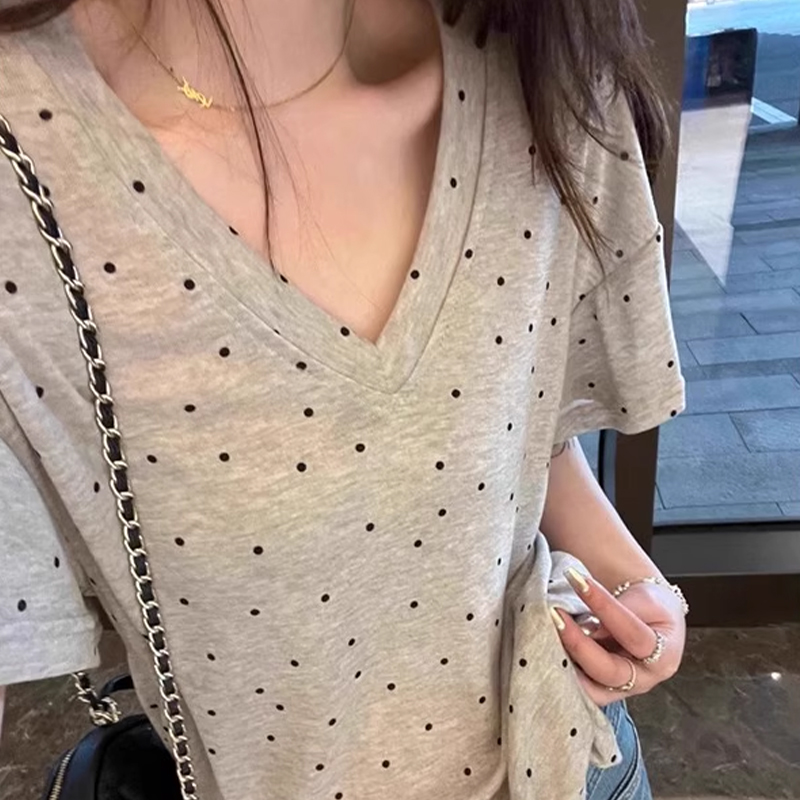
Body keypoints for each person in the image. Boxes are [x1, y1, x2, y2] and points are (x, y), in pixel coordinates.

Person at [0, 0, 688, 798]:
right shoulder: (27, 170)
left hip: (579, 762)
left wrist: (630, 581)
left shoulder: (543, 57)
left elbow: (508, 422)